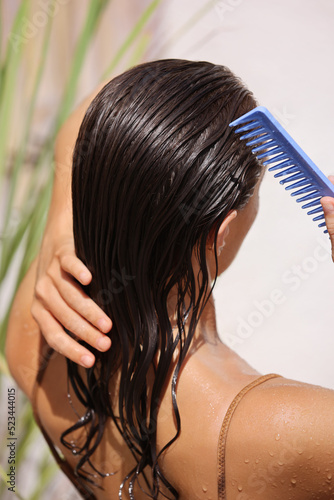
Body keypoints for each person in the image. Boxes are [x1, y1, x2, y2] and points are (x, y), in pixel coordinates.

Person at [5, 59, 334, 500]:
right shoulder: (279, 426)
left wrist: (64, 227)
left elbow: (88, 115)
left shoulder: (34, 336)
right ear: (220, 234)